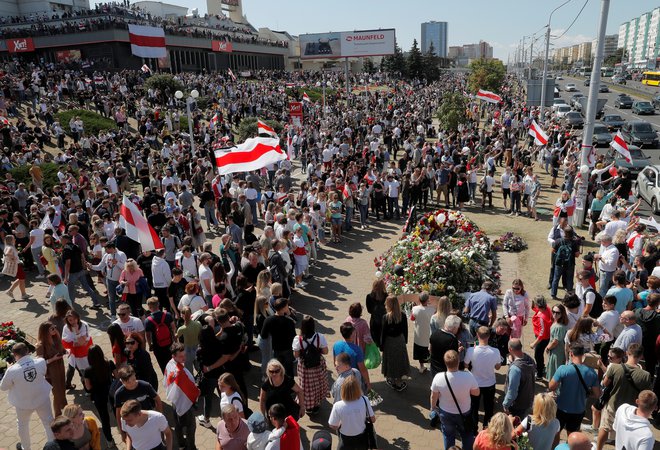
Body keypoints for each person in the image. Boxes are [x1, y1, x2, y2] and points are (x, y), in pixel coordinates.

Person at [595, 343, 652, 450]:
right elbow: (645, 394)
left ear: (627, 353)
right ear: (641, 356)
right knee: (625, 432)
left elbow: (605, 383)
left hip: (613, 405)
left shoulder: (615, 368)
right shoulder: (645, 375)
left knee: (605, 428)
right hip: (630, 409)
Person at [0, 343, 54, 450]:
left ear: (14, 354)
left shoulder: (12, 370)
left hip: (23, 403)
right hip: (41, 398)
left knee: (23, 425)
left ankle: (26, 448)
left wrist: (9, 370)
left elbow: (3, 387)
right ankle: (53, 445)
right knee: (48, 422)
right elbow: (43, 372)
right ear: (28, 351)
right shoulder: (41, 361)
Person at [430, 350, 479, 450]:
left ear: (445, 362)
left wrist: (433, 407)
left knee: (448, 435)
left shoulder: (438, 377)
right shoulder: (468, 376)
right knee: (466, 435)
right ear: (458, 361)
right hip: (464, 412)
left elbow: (433, 396)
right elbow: (476, 393)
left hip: (445, 412)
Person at [548, 343, 600, 433]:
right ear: (583, 355)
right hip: (579, 410)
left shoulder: (563, 369)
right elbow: (597, 394)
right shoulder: (591, 372)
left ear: (571, 353)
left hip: (561, 408)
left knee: (556, 432)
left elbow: (551, 386)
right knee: (572, 436)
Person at [464, 326, 501, 433]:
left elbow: (466, 365)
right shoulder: (495, 351)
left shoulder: (471, 350)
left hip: (475, 384)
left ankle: (474, 428)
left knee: (474, 407)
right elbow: (498, 367)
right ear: (489, 336)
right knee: (489, 408)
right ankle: (486, 428)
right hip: (490, 384)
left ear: (477, 335)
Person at [114, 365, 163, 442]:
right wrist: (122, 432)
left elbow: (157, 399)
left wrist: (159, 416)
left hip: (148, 420)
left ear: (135, 375)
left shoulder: (145, 386)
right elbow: (118, 413)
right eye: (128, 382)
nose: (132, 383)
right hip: (133, 425)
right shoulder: (119, 394)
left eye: (133, 379)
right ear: (121, 381)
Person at [165, 343, 199, 450]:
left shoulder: (170, 364)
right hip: (184, 404)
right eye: (180, 356)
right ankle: (191, 447)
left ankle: (181, 445)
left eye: (184, 355)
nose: (184, 358)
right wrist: (197, 391)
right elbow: (191, 391)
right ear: (173, 356)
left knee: (178, 425)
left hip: (175, 401)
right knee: (191, 427)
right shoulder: (180, 373)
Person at [292, 315, 329, 415]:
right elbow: (325, 351)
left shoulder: (297, 339)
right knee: (318, 384)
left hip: (305, 367)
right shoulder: (319, 337)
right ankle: (316, 404)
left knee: (306, 387)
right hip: (317, 364)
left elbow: (296, 355)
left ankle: (308, 406)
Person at [328, 375, 376, 450]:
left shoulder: (337, 405)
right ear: (358, 389)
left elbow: (332, 425)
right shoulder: (365, 400)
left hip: (345, 440)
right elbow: (373, 419)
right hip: (362, 438)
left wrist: (339, 425)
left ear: (343, 390)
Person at [83, 345, 116, 447]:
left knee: (104, 419)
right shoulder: (109, 363)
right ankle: (126, 433)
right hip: (111, 392)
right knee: (118, 414)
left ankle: (109, 441)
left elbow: (88, 388)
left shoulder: (88, 370)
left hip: (98, 396)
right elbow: (117, 375)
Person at [36, 321, 67, 417]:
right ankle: (58, 415)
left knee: (62, 389)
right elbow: (39, 363)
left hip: (60, 368)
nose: (55, 330)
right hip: (51, 372)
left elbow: (61, 350)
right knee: (57, 394)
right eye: (52, 329)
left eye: (55, 327)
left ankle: (65, 410)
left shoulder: (55, 338)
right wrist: (53, 359)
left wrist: (65, 351)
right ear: (45, 331)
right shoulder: (41, 345)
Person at [261, 298, 297, 376]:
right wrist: (289, 314)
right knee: (289, 370)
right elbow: (294, 336)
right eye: (287, 305)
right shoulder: (289, 321)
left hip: (275, 349)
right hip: (288, 349)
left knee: (278, 370)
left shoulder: (268, 320)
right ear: (284, 308)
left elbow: (263, 335)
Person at [381, 295, 410, 391]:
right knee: (399, 360)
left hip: (389, 342)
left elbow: (383, 333)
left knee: (391, 360)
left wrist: (382, 345)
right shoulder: (403, 315)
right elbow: (405, 330)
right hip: (399, 340)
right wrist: (405, 340)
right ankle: (399, 382)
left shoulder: (386, 317)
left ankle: (392, 380)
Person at [332, 322, 371, 392]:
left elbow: (335, 363)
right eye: (354, 332)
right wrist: (368, 384)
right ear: (352, 335)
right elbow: (363, 370)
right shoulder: (357, 350)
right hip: (354, 380)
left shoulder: (336, 345)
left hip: (342, 377)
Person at [502, 338, 536, 418]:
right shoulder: (530, 360)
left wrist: (506, 404)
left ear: (510, 349)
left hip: (516, 405)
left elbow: (512, 391)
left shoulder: (515, 369)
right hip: (527, 400)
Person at [61, 309, 92, 391]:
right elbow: (64, 341)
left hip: (85, 354)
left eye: (75, 319)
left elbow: (83, 343)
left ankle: (90, 387)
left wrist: (77, 332)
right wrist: (75, 344)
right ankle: (87, 389)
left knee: (87, 372)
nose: (73, 321)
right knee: (81, 373)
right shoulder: (66, 328)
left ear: (78, 318)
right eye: (70, 320)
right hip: (75, 355)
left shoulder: (84, 325)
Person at [144, 296, 175, 373]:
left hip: (158, 347)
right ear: (158, 305)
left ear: (149, 307)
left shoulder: (148, 320)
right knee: (173, 362)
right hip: (169, 343)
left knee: (163, 365)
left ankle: (167, 380)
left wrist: (150, 344)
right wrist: (174, 339)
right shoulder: (167, 315)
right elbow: (173, 328)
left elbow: (147, 335)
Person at [530, 295, 553, 380]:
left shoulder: (541, 317)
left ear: (537, 304)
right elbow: (534, 308)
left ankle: (539, 373)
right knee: (539, 354)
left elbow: (542, 332)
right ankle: (541, 367)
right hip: (546, 336)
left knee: (538, 355)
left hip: (542, 339)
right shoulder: (546, 309)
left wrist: (534, 343)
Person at [411, 292, 434, 373]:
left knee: (420, 351)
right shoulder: (432, 309)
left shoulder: (415, 309)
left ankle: (421, 366)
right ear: (427, 300)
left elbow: (412, 319)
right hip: (429, 334)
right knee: (429, 351)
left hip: (419, 335)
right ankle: (430, 366)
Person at [545, 304, 569, 381]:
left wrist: (548, 348)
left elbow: (556, 341)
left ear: (562, 314)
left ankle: (555, 390)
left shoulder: (559, 327)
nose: (555, 314)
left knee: (556, 370)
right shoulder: (556, 323)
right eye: (553, 312)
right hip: (555, 351)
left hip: (557, 353)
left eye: (558, 313)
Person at [3, 234, 29, 299]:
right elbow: (7, 254)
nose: (15, 239)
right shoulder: (10, 247)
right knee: (22, 279)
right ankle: (23, 294)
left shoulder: (9, 246)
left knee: (21, 279)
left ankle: (10, 291)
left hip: (17, 265)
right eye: (13, 238)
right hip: (16, 266)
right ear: (11, 240)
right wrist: (13, 257)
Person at [365, 279, 387, 349]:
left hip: (374, 321)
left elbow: (369, 310)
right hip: (384, 321)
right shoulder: (386, 296)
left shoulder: (369, 296)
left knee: (374, 338)